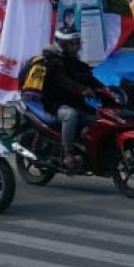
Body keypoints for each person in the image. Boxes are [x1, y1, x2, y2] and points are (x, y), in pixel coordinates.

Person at [22, 27, 112, 170]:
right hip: (56, 104)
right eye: (72, 43)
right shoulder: (53, 63)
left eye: (77, 42)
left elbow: (89, 78)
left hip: (76, 103)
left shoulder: (77, 64)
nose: (76, 46)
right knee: (70, 115)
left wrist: (107, 90)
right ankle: (68, 154)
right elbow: (63, 81)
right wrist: (82, 90)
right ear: (63, 45)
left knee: (100, 119)